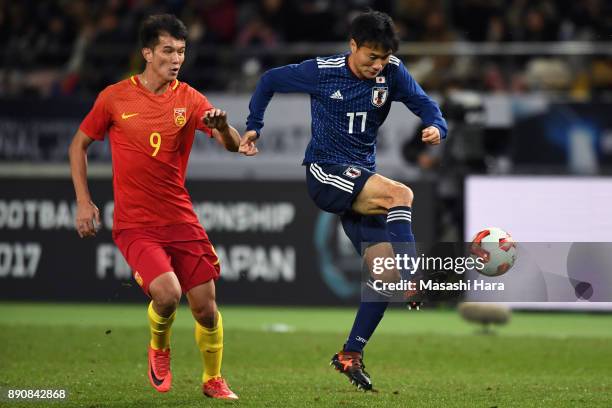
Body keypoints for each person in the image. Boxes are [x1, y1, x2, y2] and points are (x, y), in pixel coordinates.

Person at [240, 10, 447, 391]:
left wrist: (437, 125)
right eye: (371, 56)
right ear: (353, 46)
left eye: (384, 58)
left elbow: (425, 104)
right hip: (325, 171)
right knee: (401, 193)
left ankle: (351, 353)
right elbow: (269, 80)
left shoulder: (393, 71)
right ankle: (414, 274)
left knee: (381, 274)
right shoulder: (323, 71)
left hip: (360, 180)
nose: (377, 65)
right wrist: (254, 125)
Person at [69, 14, 256, 400]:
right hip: (135, 224)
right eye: (168, 50)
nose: (176, 59)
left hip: (180, 219)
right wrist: (84, 201)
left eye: (182, 51)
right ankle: (159, 348)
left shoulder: (189, 98)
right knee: (167, 294)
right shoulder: (115, 97)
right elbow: (79, 145)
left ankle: (212, 379)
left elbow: (234, 144)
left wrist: (222, 127)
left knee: (206, 308)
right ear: (147, 52)